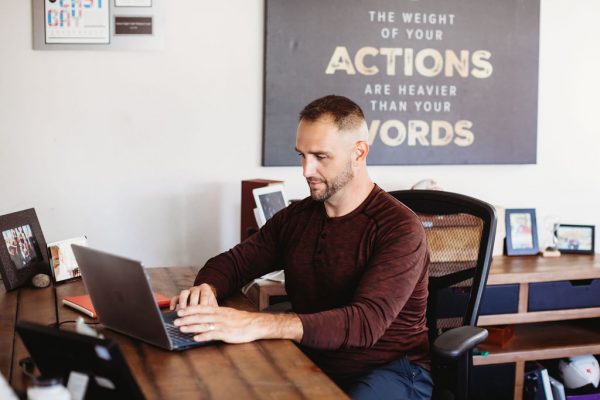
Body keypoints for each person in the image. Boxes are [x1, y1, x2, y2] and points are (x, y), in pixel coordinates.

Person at [171, 95, 432, 399]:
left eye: (321, 156)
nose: (306, 170)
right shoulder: (298, 217)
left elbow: (365, 323)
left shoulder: (399, 228)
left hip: (390, 370)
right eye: (302, 155)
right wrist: (206, 288)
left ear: (358, 152)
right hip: (313, 357)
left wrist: (255, 323)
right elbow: (235, 262)